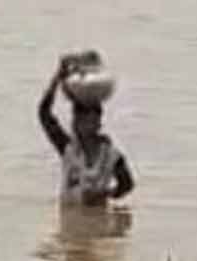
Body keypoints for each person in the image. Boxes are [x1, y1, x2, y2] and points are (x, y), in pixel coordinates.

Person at [39, 56, 136, 208]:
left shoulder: (111, 156)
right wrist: (57, 78)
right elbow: (44, 114)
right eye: (80, 121)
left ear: (98, 122)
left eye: (89, 121)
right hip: (68, 221)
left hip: (97, 221)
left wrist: (104, 195)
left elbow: (127, 185)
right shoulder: (68, 149)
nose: (83, 126)